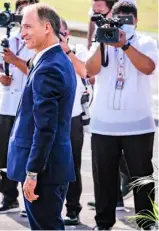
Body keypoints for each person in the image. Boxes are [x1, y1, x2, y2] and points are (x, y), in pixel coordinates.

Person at [85, 2, 157, 230]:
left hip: (138, 125)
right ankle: (103, 223)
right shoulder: (103, 40)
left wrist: (124, 45)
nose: (122, 24)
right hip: (103, 125)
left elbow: (148, 67)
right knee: (103, 178)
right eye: (118, 20)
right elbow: (90, 69)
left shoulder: (146, 42)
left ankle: (146, 223)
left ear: (136, 21)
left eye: (127, 20)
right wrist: (102, 43)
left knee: (142, 179)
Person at [6, 3, 77, 230]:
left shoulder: (49, 67)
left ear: (47, 27)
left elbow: (45, 127)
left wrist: (33, 172)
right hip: (52, 166)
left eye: (27, 26)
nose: (22, 33)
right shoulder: (54, 60)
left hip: (44, 170)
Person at [0, 0, 36, 215]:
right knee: (5, 153)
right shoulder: (9, 38)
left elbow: (38, 71)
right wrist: (0, 76)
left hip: (29, 107)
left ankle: (32, 200)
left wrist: (15, 60)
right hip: (7, 104)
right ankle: (8, 197)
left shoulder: (40, 40)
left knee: (28, 153)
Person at [58, 19, 88, 226]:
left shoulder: (78, 50)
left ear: (66, 32)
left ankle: (73, 209)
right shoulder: (44, 51)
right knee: (45, 165)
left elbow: (85, 71)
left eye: (60, 32)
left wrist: (66, 50)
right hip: (49, 118)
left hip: (72, 117)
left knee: (72, 166)